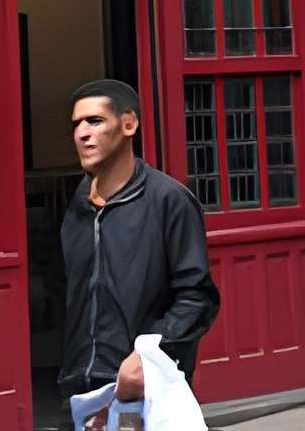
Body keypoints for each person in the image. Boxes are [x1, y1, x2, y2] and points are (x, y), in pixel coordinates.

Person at [58, 78, 219, 406]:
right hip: (84, 391)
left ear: (128, 124)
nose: (82, 133)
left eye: (95, 120)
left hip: (147, 389)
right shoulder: (78, 206)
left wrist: (149, 355)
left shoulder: (168, 200)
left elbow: (196, 298)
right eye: (76, 124)